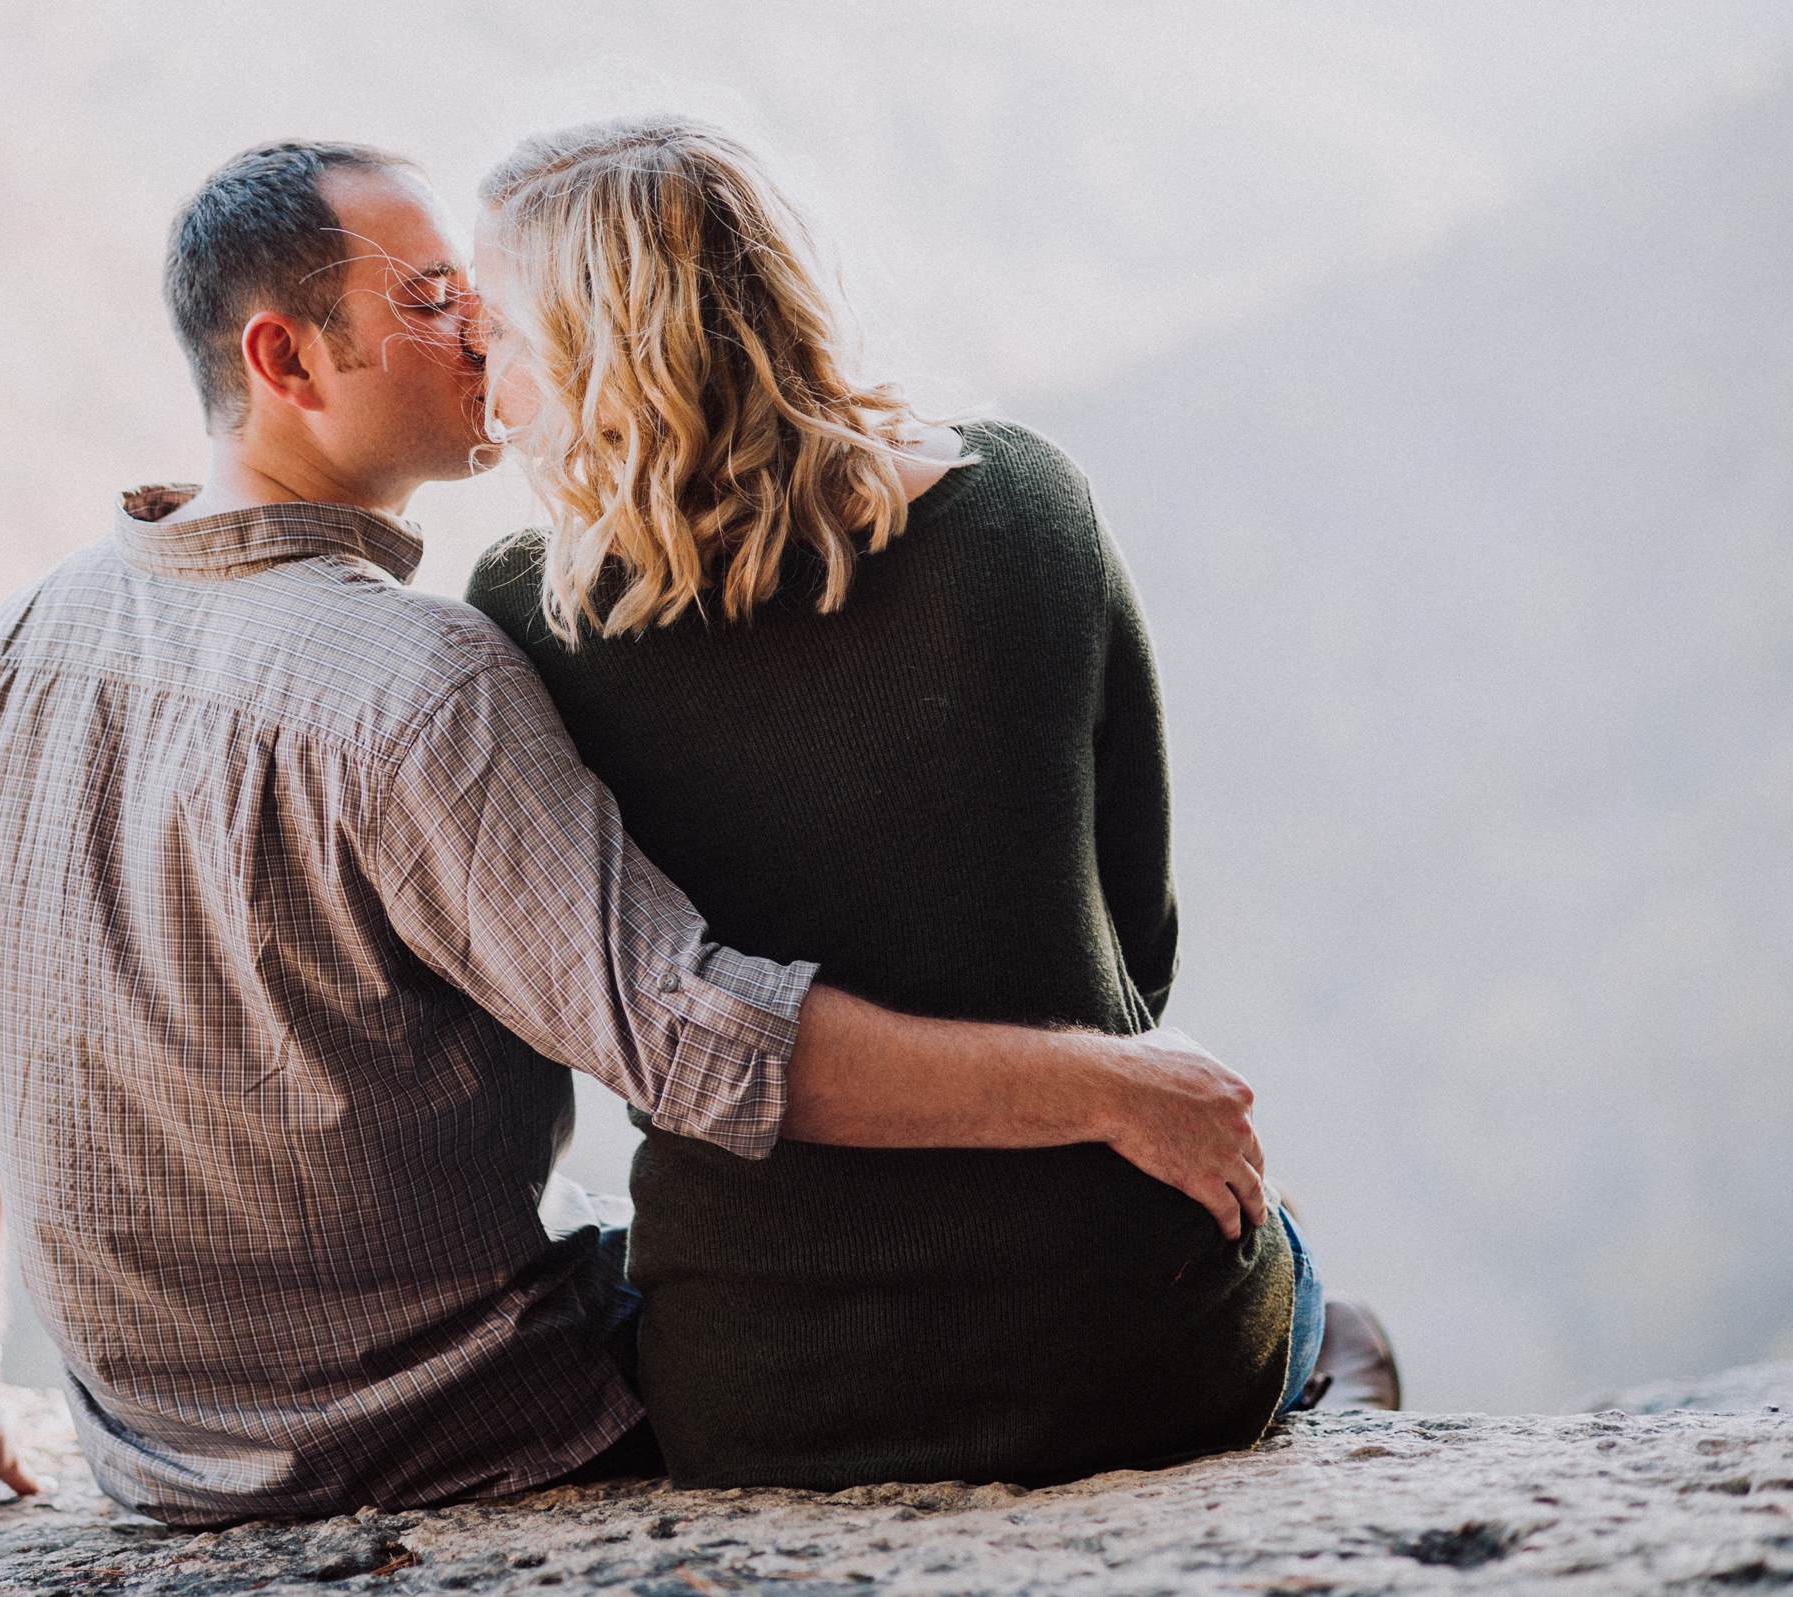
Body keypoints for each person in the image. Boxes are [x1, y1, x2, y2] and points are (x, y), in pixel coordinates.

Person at [0, 139, 1274, 1530]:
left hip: (156, 1459)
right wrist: (1108, 1083)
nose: (480, 336)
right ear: (284, 357)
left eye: (484, 299)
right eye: (432, 300)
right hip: (470, 1426)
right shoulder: (424, 678)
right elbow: (694, 1040)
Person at [463, 116, 1397, 1492]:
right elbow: (1135, 943)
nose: (483, 378)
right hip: (1134, 1352)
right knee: (1323, 1292)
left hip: (765, 1396)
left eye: (496, 334)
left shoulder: (524, 615)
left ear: (592, 357)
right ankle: (1343, 1370)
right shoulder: (1022, 506)